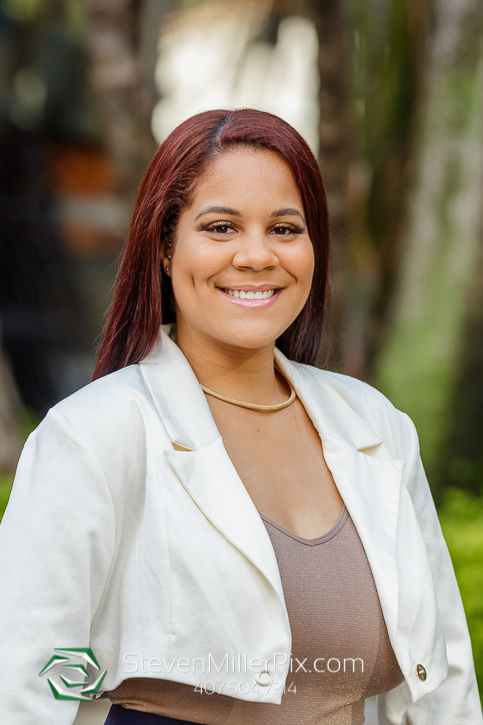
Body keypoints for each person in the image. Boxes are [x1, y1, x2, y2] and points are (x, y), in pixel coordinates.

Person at [0, 109, 481, 725]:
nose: (257, 256)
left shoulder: (376, 427)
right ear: (166, 248)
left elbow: (447, 679)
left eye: (285, 228)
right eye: (222, 227)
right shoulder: (93, 437)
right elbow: (21, 688)